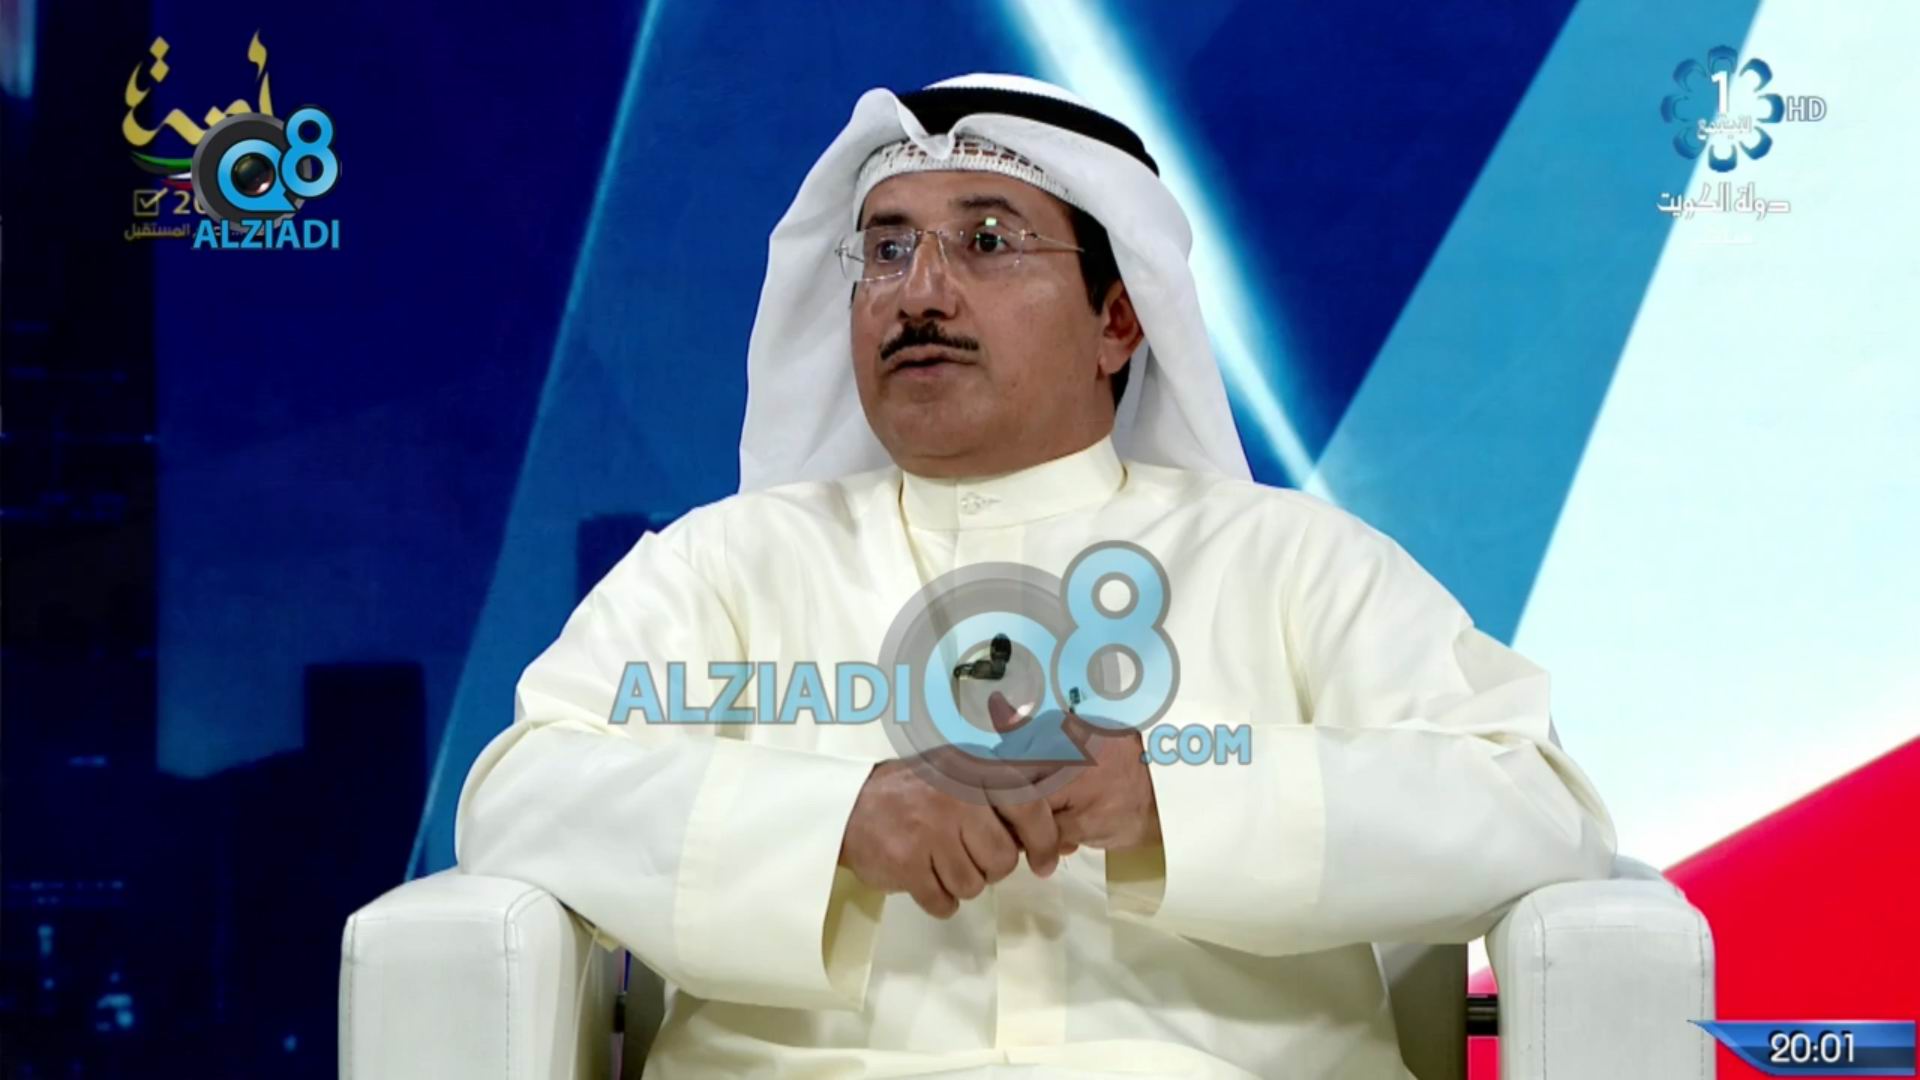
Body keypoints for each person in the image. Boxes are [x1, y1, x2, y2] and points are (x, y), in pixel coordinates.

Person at [455, 73, 1616, 1079]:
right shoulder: (726, 565)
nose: (919, 292)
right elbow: (522, 790)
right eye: (887, 249)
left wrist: (1174, 796)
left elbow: (1537, 806)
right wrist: (838, 822)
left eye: (987, 240)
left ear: (1119, 321)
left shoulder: (1294, 562)